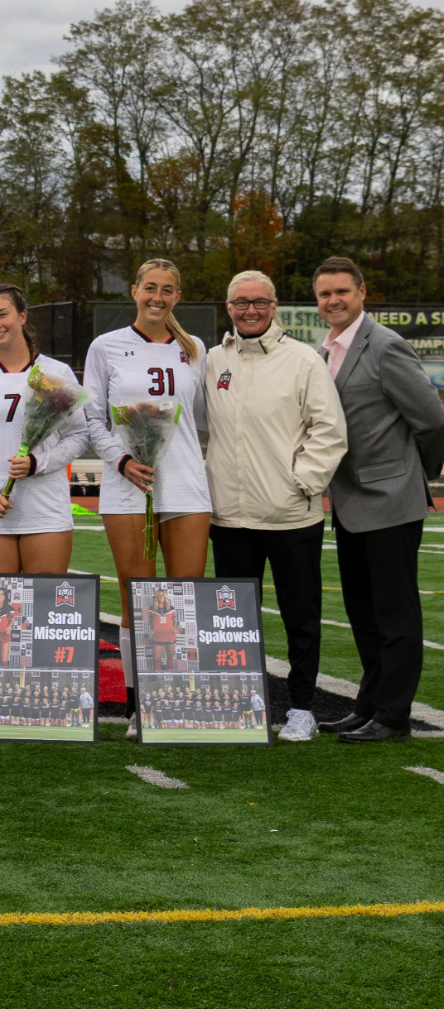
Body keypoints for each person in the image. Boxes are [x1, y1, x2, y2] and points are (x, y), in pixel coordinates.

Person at [201, 269, 347, 742]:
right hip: (230, 516)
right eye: (241, 302)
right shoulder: (213, 360)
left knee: (300, 617)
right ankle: (242, 704)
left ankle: (302, 708)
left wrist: (300, 484)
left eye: (260, 302)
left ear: (274, 306)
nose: (251, 310)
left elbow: (329, 431)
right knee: (234, 621)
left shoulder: (303, 360)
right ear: (229, 308)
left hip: (290, 516)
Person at [313, 257, 444, 743]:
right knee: (364, 614)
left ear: (362, 292)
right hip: (350, 502)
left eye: (342, 292)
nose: (333, 301)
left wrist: (413, 475)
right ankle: (368, 705)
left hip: (390, 501)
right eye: (325, 294)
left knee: (395, 615)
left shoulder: (386, 345)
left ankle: (393, 716)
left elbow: (432, 420)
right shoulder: (325, 349)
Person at [83, 258, 209, 715]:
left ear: (178, 296)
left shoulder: (194, 348)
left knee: (183, 598)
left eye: (167, 290)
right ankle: (141, 705)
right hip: (127, 486)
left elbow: (201, 420)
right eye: (150, 288)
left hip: (186, 484)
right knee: (137, 598)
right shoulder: (106, 347)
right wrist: (121, 461)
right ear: (134, 291)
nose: (158, 297)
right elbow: (92, 419)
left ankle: (178, 698)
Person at [0, 284, 88, 573]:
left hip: (46, 509)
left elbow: (78, 435)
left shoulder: (56, 372)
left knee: (44, 600)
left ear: (22, 316)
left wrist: (38, 462)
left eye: (2, 314)